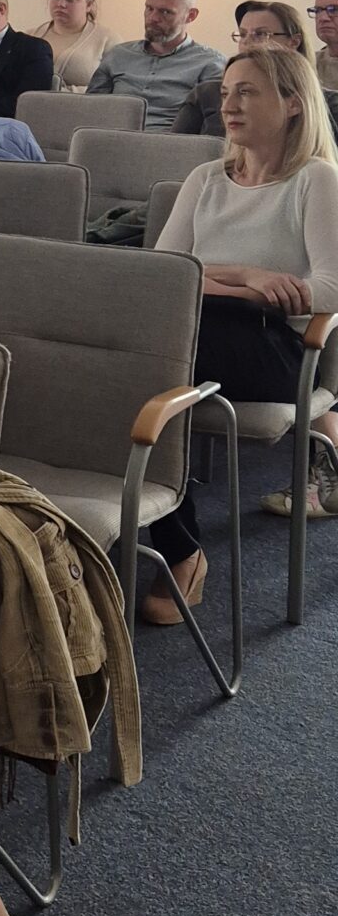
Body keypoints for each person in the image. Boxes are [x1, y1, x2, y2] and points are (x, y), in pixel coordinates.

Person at [149, 47, 338, 603]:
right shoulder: (206, 177)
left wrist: (216, 282)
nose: (228, 105)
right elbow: (159, 274)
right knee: (139, 362)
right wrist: (247, 277)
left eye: (247, 92)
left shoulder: (316, 179)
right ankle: (174, 543)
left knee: (145, 361)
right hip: (197, 329)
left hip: (278, 348)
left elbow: (331, 289)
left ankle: (181, 553)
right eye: (226, 92)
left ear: (293, 104)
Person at [86, 0, 225, 130]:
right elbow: (89, 109)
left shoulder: (209, 63)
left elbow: (215, 126)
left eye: (165, 12)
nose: (153, 18)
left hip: (170, 140)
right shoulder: (118, 55)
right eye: (149, 8)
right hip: (113, 137)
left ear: (190, 15)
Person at [173, 1, 317, 138]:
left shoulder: (320, 99)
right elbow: (176, 148)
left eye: (261, 34)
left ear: (294, 42)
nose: (247, 41)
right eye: (242, 34)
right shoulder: (206, 93)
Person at [32, 0, 106, 92]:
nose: (61, 4)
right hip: (31, 104)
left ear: (89, 5)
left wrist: (63, 92)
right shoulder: (30, 36)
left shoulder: (107, 41)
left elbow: (113, 90)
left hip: (84, 104)